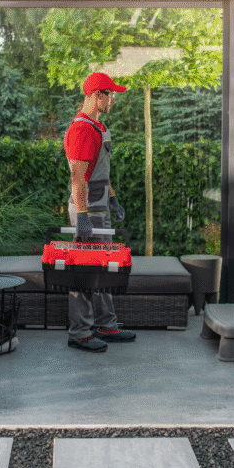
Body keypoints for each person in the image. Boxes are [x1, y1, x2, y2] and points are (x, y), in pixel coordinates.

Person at [63, 72, 137, 353]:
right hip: (88, 211)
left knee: (104, 268)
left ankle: (107, 324)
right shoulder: (81, 130)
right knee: (84, 271)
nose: (114, 100)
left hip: (100, 206)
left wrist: (114, 199)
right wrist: (81, 217)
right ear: (97, 96)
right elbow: (78, 178)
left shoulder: (98, 127)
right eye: (111, 94)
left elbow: (100, 172)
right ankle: (80, 332)